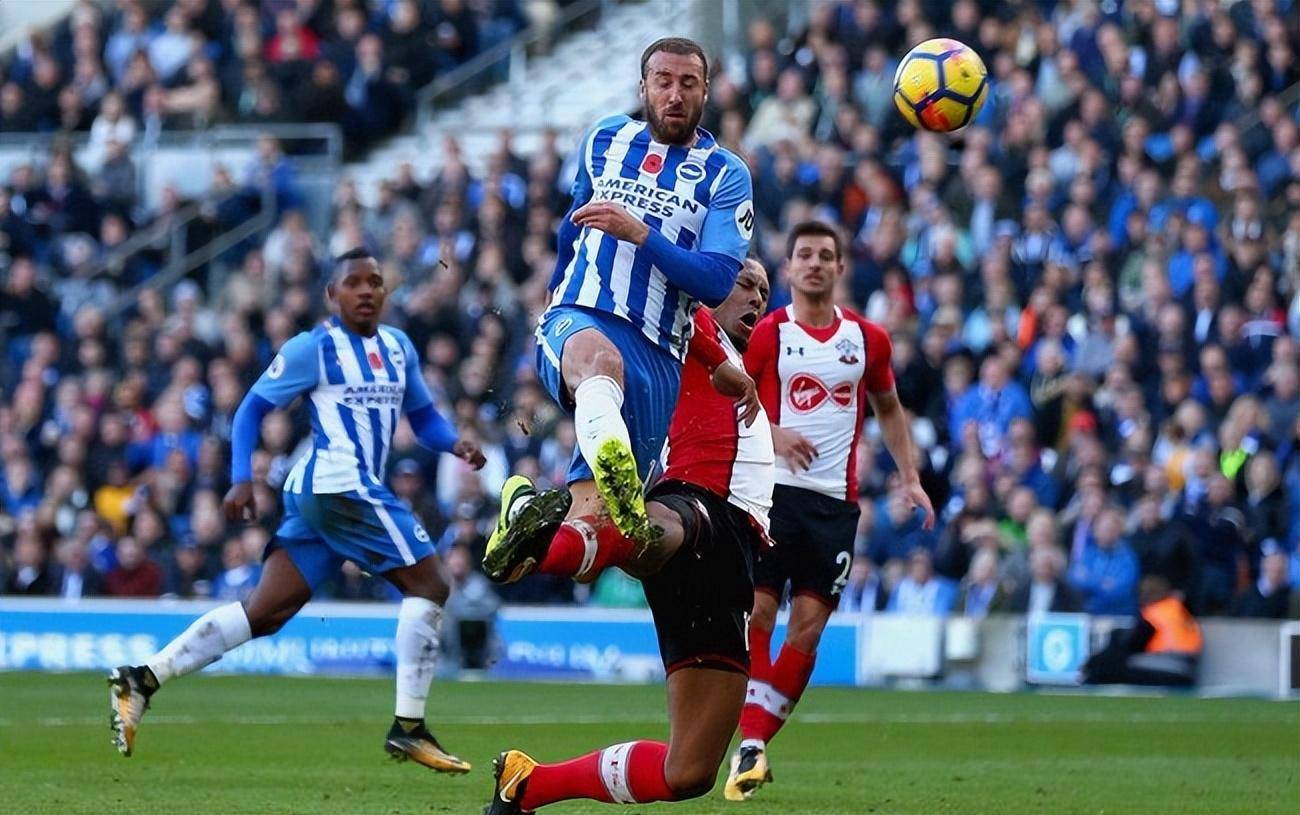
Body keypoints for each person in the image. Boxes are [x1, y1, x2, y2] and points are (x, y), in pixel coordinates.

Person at [107, 249, 486, 776]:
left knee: (264, 612)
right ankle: (409, 727)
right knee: (431, 584)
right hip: (338, 484)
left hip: (327, 498)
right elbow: (250, 410)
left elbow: (423, 418)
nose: (366, 290)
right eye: (353, 282)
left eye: (375, 281)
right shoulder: (313, 348)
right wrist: (241, 477)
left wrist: (454, 443)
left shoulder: (398, 347)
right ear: (332, 294)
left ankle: (142, 679)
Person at [482, 260, 772, 813]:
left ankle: (527, 786)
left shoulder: (738, 369)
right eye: (744, 283)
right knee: (661, 530)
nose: (757, 296)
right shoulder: (682, 328)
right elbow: (667, 285)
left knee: (690, 771)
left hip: (736, 553)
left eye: (764, 289)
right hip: (693, 501)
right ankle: (542, 544)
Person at [483, 36, 754, 588]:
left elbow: (716, 281)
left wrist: (641, 234)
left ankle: (524, 529)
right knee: (599, 363)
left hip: (659, 357)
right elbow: (573, 226)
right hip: (583, 313)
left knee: (603, 542)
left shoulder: (726, 175)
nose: (674, 94)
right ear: (643, 87)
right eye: (663, 81)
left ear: (705, 92)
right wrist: (556, 293)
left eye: (688, 83)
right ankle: (609, 454)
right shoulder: (604, 138)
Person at [725, 220, 934, 801]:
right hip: (770, 494)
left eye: (825, 255)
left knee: (809, 630)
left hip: (835, 506)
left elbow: (888, 408)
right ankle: (752, 743)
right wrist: (775, 433)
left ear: (841, 268)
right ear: (789, 267)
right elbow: (732, 401)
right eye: (805, 255)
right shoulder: (769, 333)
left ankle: (754, 741)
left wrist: (910, 477)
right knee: (758, 613)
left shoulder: (868, 340)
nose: (815, 263)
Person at [1084, 576, 1203, 687]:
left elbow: (1132, 644)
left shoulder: (1155, 613)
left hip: (1167, 667)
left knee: (1111, 667)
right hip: (1188, 667)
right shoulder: (1177, 609)